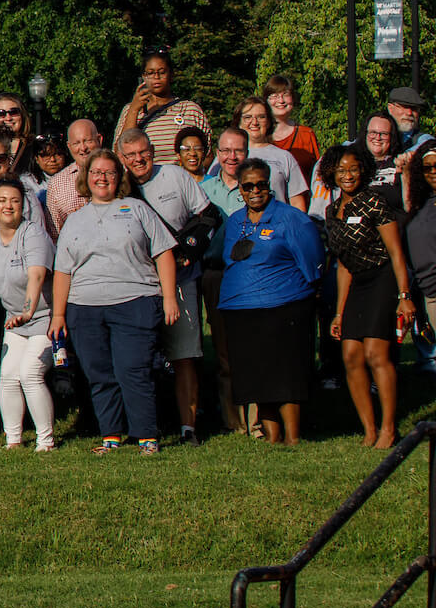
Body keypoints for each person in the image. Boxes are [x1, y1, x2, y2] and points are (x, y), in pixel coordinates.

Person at [54, 152, 180, 454]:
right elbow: (62, 270)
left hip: (135, 300)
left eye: (109, 173)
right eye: (96, 172)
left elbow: (163, 253)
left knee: (133, 369)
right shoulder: (74, 220)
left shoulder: (137, 209)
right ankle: (110, 435)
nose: (102, 178)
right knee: (99, 373)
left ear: (118, 178)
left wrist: (170, 297)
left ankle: (146, 436)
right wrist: (58, 315)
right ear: (87, 178)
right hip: (84, 307)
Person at [119, 127, 216, 444]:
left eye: (143, 153)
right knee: (140, 357)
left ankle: (188, 427)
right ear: (122, 157)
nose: (138, 160)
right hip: (138, 284)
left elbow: (209, 217)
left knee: (184, 355)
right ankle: (146, 426)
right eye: (131, 155)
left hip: (181, 281)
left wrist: (188, 253)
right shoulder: (120, 186)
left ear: (152, 151)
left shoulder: (175, 176)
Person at [221, 157, 323, 445]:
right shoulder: (234, 222)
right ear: (239, 189)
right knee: (258, 376)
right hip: (241, 309)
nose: (255, 191)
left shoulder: (291, 218)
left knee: (286, 374)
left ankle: (293, 437)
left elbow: (313, 260)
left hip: (285, 305)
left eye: (261, 185)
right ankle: (271, 437)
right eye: (248, 186)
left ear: (270, 186)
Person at [323, 142, 415, 449]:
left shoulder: (374, 202)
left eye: (354, 168)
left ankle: (389, 428)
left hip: (383, 278)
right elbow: (343, 264)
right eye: (341, 169)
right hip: (355, 283)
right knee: (350, 355)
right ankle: (369, 428)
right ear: (331, 173)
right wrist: (339, 312)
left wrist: (404, 294)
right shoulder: (331, 211)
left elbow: (396, 252)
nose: (348, 175)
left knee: (376, 353)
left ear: (364, 170)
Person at [0, 179, 57, 451]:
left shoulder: (34, 234)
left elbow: (36, 276)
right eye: (2, 200)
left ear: (23, 206)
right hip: (14, 319)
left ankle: (46, 440)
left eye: (15, 201)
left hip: (44, 317)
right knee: (7, 376)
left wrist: (28, 312)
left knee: (30, 373)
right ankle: (13, 440)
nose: (8, 206)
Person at [113, 52, 212, 161]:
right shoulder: (131, 109)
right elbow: (119, 153)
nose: (156, 77)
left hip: (182, 176)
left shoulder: (190, 109)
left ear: (171, 75)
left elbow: (207, 154)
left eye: (162, 72)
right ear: (143, 77)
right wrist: (134, 110)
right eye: (150, 73)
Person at [233, 98, 311, 209]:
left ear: (269, 122)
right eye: (247, 117)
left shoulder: (284, 157)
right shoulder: (227, 157)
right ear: (239, 122)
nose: (254, 122)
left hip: (277, 224)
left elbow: (297, 203)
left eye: (261, 117)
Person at [43, 119, 106, 232]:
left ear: (99, 140)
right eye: (76, 143)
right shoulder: (57, 184)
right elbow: (55, 234)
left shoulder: (116, 173)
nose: (83, 148)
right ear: (69, 146)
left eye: (88, 141)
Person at [265, 74, 321, 177]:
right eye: (275, 96)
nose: (281, 101)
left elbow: (317, 174)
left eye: (285, 94)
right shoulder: (259, 136)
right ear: (266, 101)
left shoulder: (306, 135)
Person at [389, 86, 431, 154]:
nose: (409, 113)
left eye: (414, 109)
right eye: (404, 107)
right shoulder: (375, 138)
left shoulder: (424, 142)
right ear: (390, 108)